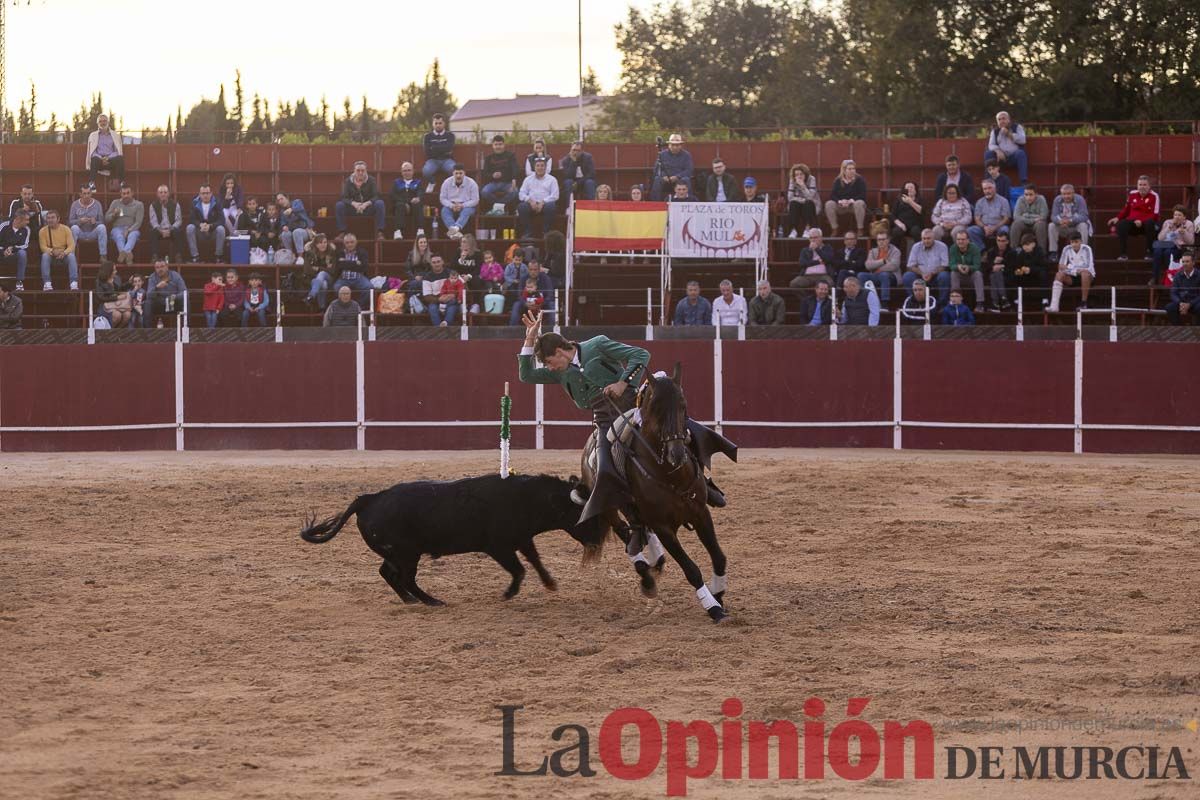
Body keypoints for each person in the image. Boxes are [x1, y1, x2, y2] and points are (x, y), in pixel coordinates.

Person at [517, 312, 732, 526]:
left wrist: (623, 383)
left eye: (548, 362)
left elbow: (641, 355)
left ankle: (704, 483)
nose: (549, 368)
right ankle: (634, 520)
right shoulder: (559, 372)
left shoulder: (597, 345)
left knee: (677, 430)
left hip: (632, 406)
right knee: (603, 466)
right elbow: (526, 376)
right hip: (603, 419)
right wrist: (529, 339)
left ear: (559, 352)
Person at [1107, 175, 1160, 261]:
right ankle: (1123, 254)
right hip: (1133, 223)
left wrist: (1142, 221)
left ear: (1149, 186)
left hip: (1146, 225)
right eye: (1140, 185)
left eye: (1144, 185)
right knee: (1121, 224)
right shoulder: (1132, 194)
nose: (1142, 187)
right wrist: (1117, 218)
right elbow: (1126, 209)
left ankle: (1149, 253)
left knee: (1150, 223)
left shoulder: (1154, 196)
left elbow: (1155, 214)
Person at [1047, 231, 1094, 312]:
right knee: (1059, 275)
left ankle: (1083, 303)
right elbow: (1060, 267)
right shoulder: (1066, 249)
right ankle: (1054, 306)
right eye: (1072, 242)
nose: (1074, 244)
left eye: (1076, 242)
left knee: (1084, 273)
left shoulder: (1087, 249)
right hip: (1072, 277)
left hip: (1088, 277)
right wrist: (1075, 270)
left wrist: (1069, 267)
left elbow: (1087, 267)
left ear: (1081, 241)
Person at [336, 161, 386, 234]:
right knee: (339, 205)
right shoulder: (348, 181)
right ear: (354, 171)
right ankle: (342, 232)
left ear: (366, 171)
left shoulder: (371, 180)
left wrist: (366, 204)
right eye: (358, 170)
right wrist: (354, 203)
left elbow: (377, 196)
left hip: (367, 208)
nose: (360, 173)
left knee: (380, 203)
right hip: (353, 208)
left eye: (363, 170)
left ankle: (380, 233)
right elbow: (343, 197)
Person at [904, 228, 951, 305]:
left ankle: (943, 303)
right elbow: (911, 265)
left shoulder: (942, 246)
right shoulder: (916, 247)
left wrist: (932, 273)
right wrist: (922, 273)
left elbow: (944, 265)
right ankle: (913, 302)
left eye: (928, 238)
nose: (926, 241)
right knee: (907, 276)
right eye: (924, 238)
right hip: (920, 277)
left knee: (944, 275)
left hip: (936, 276)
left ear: (934, 238)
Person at [1151, 206, 1195, 285]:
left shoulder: (1189, 224)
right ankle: (1155, 278)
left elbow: (1191, 242)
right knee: (1157, 252)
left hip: (1179, 248)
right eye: (1175, 215)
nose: (1176, 217)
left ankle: (1170, 277)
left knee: (1168, 253)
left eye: (1179, 215)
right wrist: (1168, 228)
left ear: (1184, 217)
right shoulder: (1168, 222)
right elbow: (1160, 238)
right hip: (1165, 245)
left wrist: (1184, 232)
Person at [517, 158, 559, 239]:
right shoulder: (528, 179)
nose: (540, 168)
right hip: (531, 204)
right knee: (521, 207)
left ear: (546, 167)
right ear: (534, 167)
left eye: (542, 166)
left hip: (545, 204)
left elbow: (555, 195)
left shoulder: (552, 179)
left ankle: (546, 232)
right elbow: (521, 194)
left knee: (552, 206)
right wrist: (530, 201)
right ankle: (528, 232)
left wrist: (543, 202)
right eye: (538, 166)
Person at [37, 211, 79, 291]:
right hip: (51, 255)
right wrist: (52, 251)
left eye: (53, 218)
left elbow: (71, 246)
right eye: (48, 218)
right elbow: (43, 247)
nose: (50, 220)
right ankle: (47, 283)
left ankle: (73, 282)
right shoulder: (42, 231)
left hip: (64, 255)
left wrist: (64, 253)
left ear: (58, 219)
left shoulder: (66, 229)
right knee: (45, 255)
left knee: (71, 256)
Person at [824, 159, 867, 235]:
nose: (852, 171)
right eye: (849, 169)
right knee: (829, 204)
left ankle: (860, 228)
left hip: (854, 205)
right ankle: (835, 228)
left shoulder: (860, 179)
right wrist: (840, 201)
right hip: (841, 205)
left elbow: (863, 195)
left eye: (853, 169)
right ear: (844, 170)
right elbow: (832, 195)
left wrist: (851, 200)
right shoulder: (838, 180)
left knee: (859, 203)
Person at [104, 184, 144, 266]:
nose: (126, 195)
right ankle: (128, 255)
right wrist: (114, 215)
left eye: (128, 193)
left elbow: (138, 222)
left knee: (132, 236)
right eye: (123, 193)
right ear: (121, 194)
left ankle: (123, 254)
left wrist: (129, 230)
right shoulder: (115, 203)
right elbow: (106, 219)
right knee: (119, 236)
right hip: (117, 228)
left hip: (133, 228)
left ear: (132, 193)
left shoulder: (139, 205)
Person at [984, 111, 1028, 183]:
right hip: (999, 159)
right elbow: (991, 145)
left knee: (1021, 153)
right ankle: (988, 181)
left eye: (1003, 118)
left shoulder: (1017, 127)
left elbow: (1023, 140)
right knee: (988, 154)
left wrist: (1008, 134)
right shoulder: (995, 131)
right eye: (999, 119)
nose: (1001, 121)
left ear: (1009, 120)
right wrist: (998, 151)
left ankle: (1023, 182)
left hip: (1013, 158)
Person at [507, 258, 554, 326]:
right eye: (531, 269)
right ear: (528, 270)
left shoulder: (546, 278)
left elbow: (550, 295)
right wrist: (525, 304)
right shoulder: (523, 278)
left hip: (543, 303)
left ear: (539, 269)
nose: (533, 272)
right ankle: (513, 330)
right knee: (516, 305)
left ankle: (551, 331)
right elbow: (519, 295)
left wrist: (541, 303)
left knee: (552, 305)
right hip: (526, 304)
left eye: (535, 270)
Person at [967, 179, 1011, 251]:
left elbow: (1006, 219)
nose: (987, 191)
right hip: (984, 228)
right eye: (985, 189)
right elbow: (977, 219)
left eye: (989, 188)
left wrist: (994, 227)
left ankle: (999, 251)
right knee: (970, 230)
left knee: (1005, 230)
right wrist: (985, 227)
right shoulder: (979, 202)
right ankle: (982, 250)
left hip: (998, 227)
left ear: (995, 188)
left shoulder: (1003, 201)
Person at [948, 229, 985, 313]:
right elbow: (951, 265)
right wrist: (958, 266)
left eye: (963, 239)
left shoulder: (975, 248)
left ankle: (980, 303)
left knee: (978, 274)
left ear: (968, 240)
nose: (960, 241)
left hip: (971, 276)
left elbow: (977, 265)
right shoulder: (953, 248)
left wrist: (968, 268)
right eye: (958, 239)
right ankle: (955, 301)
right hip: (960, 276)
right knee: (953, 273)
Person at [187, 184, 226, 263]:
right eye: (203, 193)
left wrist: (211, 226)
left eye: (207, 193)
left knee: (221, 229)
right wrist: (200, 225)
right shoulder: (194, 202)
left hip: (212, 231)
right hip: (200, 231)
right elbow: (191, 219)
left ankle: (218, 257)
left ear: (211, 193)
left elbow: (222, 220)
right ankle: (195, 257)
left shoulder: (217, 202)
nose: (205, 195)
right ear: (199, 194)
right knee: (190, 228)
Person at [1048, 183, 1090, 256]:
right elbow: (1053, 216)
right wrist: (1059, 221)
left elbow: (1084, 216)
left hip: (1075, 227)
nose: (1066, 196)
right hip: (1063, 227)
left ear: (1073, 193)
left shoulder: (1080, 199)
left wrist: (1070, 220)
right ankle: (1053, 252)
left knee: (1083, 225)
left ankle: (1083, 251)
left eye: (1068, 194)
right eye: (1064, 194)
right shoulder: (1057, 200)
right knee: (1051, 226)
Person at [439, 164, 479, 240]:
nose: (458, 176)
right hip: (451, 205)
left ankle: (455, 229)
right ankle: (455, 233)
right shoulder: (446, 182)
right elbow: (442, 198)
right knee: (444, 211)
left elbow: (475, 200)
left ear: (464, 173)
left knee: (466, 211)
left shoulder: (472, 183)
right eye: (456, 173)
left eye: (460, 173)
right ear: (453, 173)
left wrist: (462, 205)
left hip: (467, 206)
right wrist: (451, 205)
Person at [69, 184, 108, 261]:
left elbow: (102, 221)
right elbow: (70, 222)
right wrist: (79, 221)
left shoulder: (97, 204)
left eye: (88, 193)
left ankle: (103, 256)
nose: (86, 196)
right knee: (74, 228)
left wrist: (95, 222)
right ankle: (71, 256)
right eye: (84, 193)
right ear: (80, 194)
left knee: (102, 227)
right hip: (81, 232)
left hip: (93, 232)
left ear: (91, 193)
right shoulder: (75, 204)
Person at [480, 136, 519, 212]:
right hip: (493, 183)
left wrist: (514, 179)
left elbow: (515, 168)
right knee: (484, 192)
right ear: (493, 145)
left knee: (515, 192)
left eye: (500, 144)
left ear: (504, 145)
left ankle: (498, 206)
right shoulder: (488, 158)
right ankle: (500, 206)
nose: (498, 146)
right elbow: (484, 173)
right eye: (496, 144)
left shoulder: (510, 156)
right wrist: (492, 175)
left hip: (507, 183)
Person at [144, 258, 186, 328]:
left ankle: (186, 330)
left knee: (186, 302)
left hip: (173, 302)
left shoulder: (175, 275)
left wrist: (175, 297)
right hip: (160, 304)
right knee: (147, 303)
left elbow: (184, 292)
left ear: (167, 267)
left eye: (162, 266)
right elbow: (148, 295)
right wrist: (157, 287)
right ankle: (148, 332)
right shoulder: (152, 277)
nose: (160, 269)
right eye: (157, 267)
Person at [332, 233, 372, 305]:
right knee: (336, 287)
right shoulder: (340, 252)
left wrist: (345, 263)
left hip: (358, 278)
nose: (350, 244)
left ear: (356, 242)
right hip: (343, 279)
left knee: (369, 287)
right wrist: (355, 263)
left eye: (352, 242)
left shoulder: (362, 252)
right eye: (347, 243)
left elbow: (363, 267)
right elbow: (339, 266)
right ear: (344, 243)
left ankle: (358, 306)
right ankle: (345, 306)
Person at [148, 185, 185, 263]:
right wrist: (161, 230)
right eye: (161, 192)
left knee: (179, 232)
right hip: (159, 230)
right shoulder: (153, 205)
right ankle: (155, 256)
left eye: (165, 192)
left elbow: (178, 220)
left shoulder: (175, 204)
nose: (163, 194)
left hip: (171, 229)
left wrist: (170, 229)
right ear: (157, 194)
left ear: (168, 194)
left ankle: (178, 256)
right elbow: (153, 221)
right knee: (152, 232)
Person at [860, 230, 900, 303]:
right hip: (876, 276)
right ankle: (864, 301)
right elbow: (868, 265)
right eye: (879, 240)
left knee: (884, 275)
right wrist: (883, 261)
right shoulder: (873, 251)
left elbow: (893, 266)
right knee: (861, 275)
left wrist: (875, 266)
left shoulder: (895, 251)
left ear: (888, 240)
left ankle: (885, 303)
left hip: (891, 277)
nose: (881, 242)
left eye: (883, 239)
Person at [651, 134, 693, 201]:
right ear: (669, 145)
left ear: (681, 145)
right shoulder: (662, 154)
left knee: (686, 180)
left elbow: (689, 170)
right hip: (665, 178)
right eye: (672, 145)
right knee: (657, 179)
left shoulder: (686, 155)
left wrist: (677, 176)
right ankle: (655, 204)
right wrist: (663, 175)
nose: (675, 147)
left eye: (677, 145)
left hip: (680, 178)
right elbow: (656, 169)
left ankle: (689, 203)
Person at [420, 255, 460, 326]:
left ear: (442, 262)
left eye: (438, 262)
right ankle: (439, 329)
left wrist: (453, 295)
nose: (436, 264)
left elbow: (462, 287)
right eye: (434, 262)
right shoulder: (427, 277)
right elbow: (426, 296)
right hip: (435, 300)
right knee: (432, 308)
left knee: (452, 307)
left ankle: (445, 324)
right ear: (431, 264)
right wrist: (439, 299)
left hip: (451, 299)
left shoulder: (451, 273)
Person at [982, 231, 1018, 310]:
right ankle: (1004, 299)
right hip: (993, 277)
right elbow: (986, 268)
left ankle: (995, 302)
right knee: (995, 275)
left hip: (1007, 277)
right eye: (998, 240)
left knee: (996, 274)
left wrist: (1002, 266)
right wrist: (993, 265)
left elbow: (1013, 268)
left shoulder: (1012, 252)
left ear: (1007, 241)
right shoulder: (991, 252)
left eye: (1003, 241)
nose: (1000, 243)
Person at [1009, 183, 1049, 253]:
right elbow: (1016, 216)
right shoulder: (1020, 199)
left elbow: (1044, 215)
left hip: (1036, 224)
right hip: (1024, 223)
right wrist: (1034, 218)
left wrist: (1025, 215)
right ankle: (1013, 251)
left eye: (1031, 194)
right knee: (1015, 224)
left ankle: (1042, 252)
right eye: (1026, 194)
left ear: (1036, 194)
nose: (1028, 197)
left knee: (1041, 224)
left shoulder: (1041, 199)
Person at [303, 233, 339, 309]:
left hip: (329, 278)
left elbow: (332, 270)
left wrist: (318, 268)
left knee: (322, 274)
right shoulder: (310, 253)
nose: (323, 245)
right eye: (320, 243)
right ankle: (322, 308)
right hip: (313, 279)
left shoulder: (332, 253)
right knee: (323, 284)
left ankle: (311, 295)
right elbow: (307, 270)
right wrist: (325, 269)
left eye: (325, 242)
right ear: (316, 244)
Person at [86, 114, 125, 185]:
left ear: (108, 122)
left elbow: (117, 151)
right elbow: (92, 152)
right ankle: (91, 184)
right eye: (100, 121)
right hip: (99, 161)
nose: (102, 123)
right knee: (94, 159)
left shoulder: (115, 135)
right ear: (97, 123)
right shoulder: (93, 135)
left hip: (110, 160)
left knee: (120, 159)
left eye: (104, 121)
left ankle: (122, 183)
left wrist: (108, 158)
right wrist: (101, 158)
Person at [0, 211, 32, 292]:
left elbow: (25, 245)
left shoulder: (27, 229)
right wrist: (3, 251)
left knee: (23, 253)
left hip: (15, 254)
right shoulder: (4, 225)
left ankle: (19, 281)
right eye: (26, 220)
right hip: (1, 252)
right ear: (18, 219)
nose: (28, 222)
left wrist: (12, 249)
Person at [1009, 233, 1048, 298]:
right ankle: (1016, 298)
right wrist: (1019, 271)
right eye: (1023, 245)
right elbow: (1017, 266)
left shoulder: (1040, 252)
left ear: (1033, 244)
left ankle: (1045, 298)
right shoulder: (1022, 253)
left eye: (1027, 245)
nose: (1025, 247)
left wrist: (1030, 270)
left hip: (1036, 277)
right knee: (1014, 275)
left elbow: (1044, 267)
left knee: (1043, 274)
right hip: (1026, 277)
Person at [421, 113, 456, 185]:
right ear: (432, 124)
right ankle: (432, 182)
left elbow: (449, 148)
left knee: (454, 170)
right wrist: (443, 149)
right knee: (426, 171)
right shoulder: (427, 136)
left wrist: (434, 148)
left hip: (447, 160)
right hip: (432, 160)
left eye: (440, 123)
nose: (438, 125)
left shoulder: (450, 135)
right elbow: (427, 151)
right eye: (436, 123)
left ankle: (447, 185)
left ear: (444, 124)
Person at [390, 162, 424, 237]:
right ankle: (398, 231)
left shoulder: (418, 182)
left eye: (409, 170)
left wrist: (418, 198)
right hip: (401, 205)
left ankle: (420, 230)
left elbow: (420, 192)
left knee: (418, 204)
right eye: (405, 171)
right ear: (401, 172)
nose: (407, 172)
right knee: (399, 205)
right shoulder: (397, 182)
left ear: (413, 171)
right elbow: (393, 195)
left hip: (413, 205)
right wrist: (405, 203)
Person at [95, 260, 131, 328]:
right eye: (114, 270)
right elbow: (100, 297)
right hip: (106, 306)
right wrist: (116, 298)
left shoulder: (117, 278)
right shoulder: (99, 281)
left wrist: (129, 283)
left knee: (127, 314)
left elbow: (120, 289)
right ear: (108, 271)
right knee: (117, 315)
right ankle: (110, 332)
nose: (116, 271)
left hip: (118, 304)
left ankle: (117, 331)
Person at [1165, 253, 1199, 325]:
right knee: (1170, 307)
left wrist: (1190, 304)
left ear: (1193, 263)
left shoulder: (1199, 275)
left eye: (1187, 261)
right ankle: (1179, 330)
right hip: (1181, 302)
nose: (1184, 264)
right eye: (1183, 262)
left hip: (1195, 303)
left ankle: (1197, 332)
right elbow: (1173, 293)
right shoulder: (1178, 275)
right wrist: (1180, 303)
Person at [786, 164, 819, 237]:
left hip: (811, 204)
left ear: (805, 174)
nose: (799, 176)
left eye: (801, 174)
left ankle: (808, 229)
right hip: (798, 204)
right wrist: (801, 200)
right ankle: (793, 230)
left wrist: (803, 186)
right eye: (797, 174)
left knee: (808, 203)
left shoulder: (811, 179)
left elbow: (810, 197)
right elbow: (790, 197)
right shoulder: (792, 180)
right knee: (793, 204)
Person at [275, 192, 312, 256]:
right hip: (291, 231)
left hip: (304, 230)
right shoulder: (282, 211)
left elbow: (300, 207)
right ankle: (290, 255)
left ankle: (300, 257)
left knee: (296, 232)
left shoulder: (296, 202)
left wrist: (291, 209)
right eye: (278, 200)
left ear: (287, 198)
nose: (280, 201)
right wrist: (284, 226)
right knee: (284, 234)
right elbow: (283, 222)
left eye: (282, 199)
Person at [890, 181, 923, 250]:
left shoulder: (920, 199)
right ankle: (894, 253)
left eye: (911, 187)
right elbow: (893, 215)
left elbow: (922, 212)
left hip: (915, 225)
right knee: (896, 232)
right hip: (901, 225)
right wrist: (900, 224)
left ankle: (920, 253)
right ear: (904, 190)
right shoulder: (898, 200)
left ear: (916, 190)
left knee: (916, 231)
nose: (909, 189)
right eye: (907, 187)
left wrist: (910, 201)